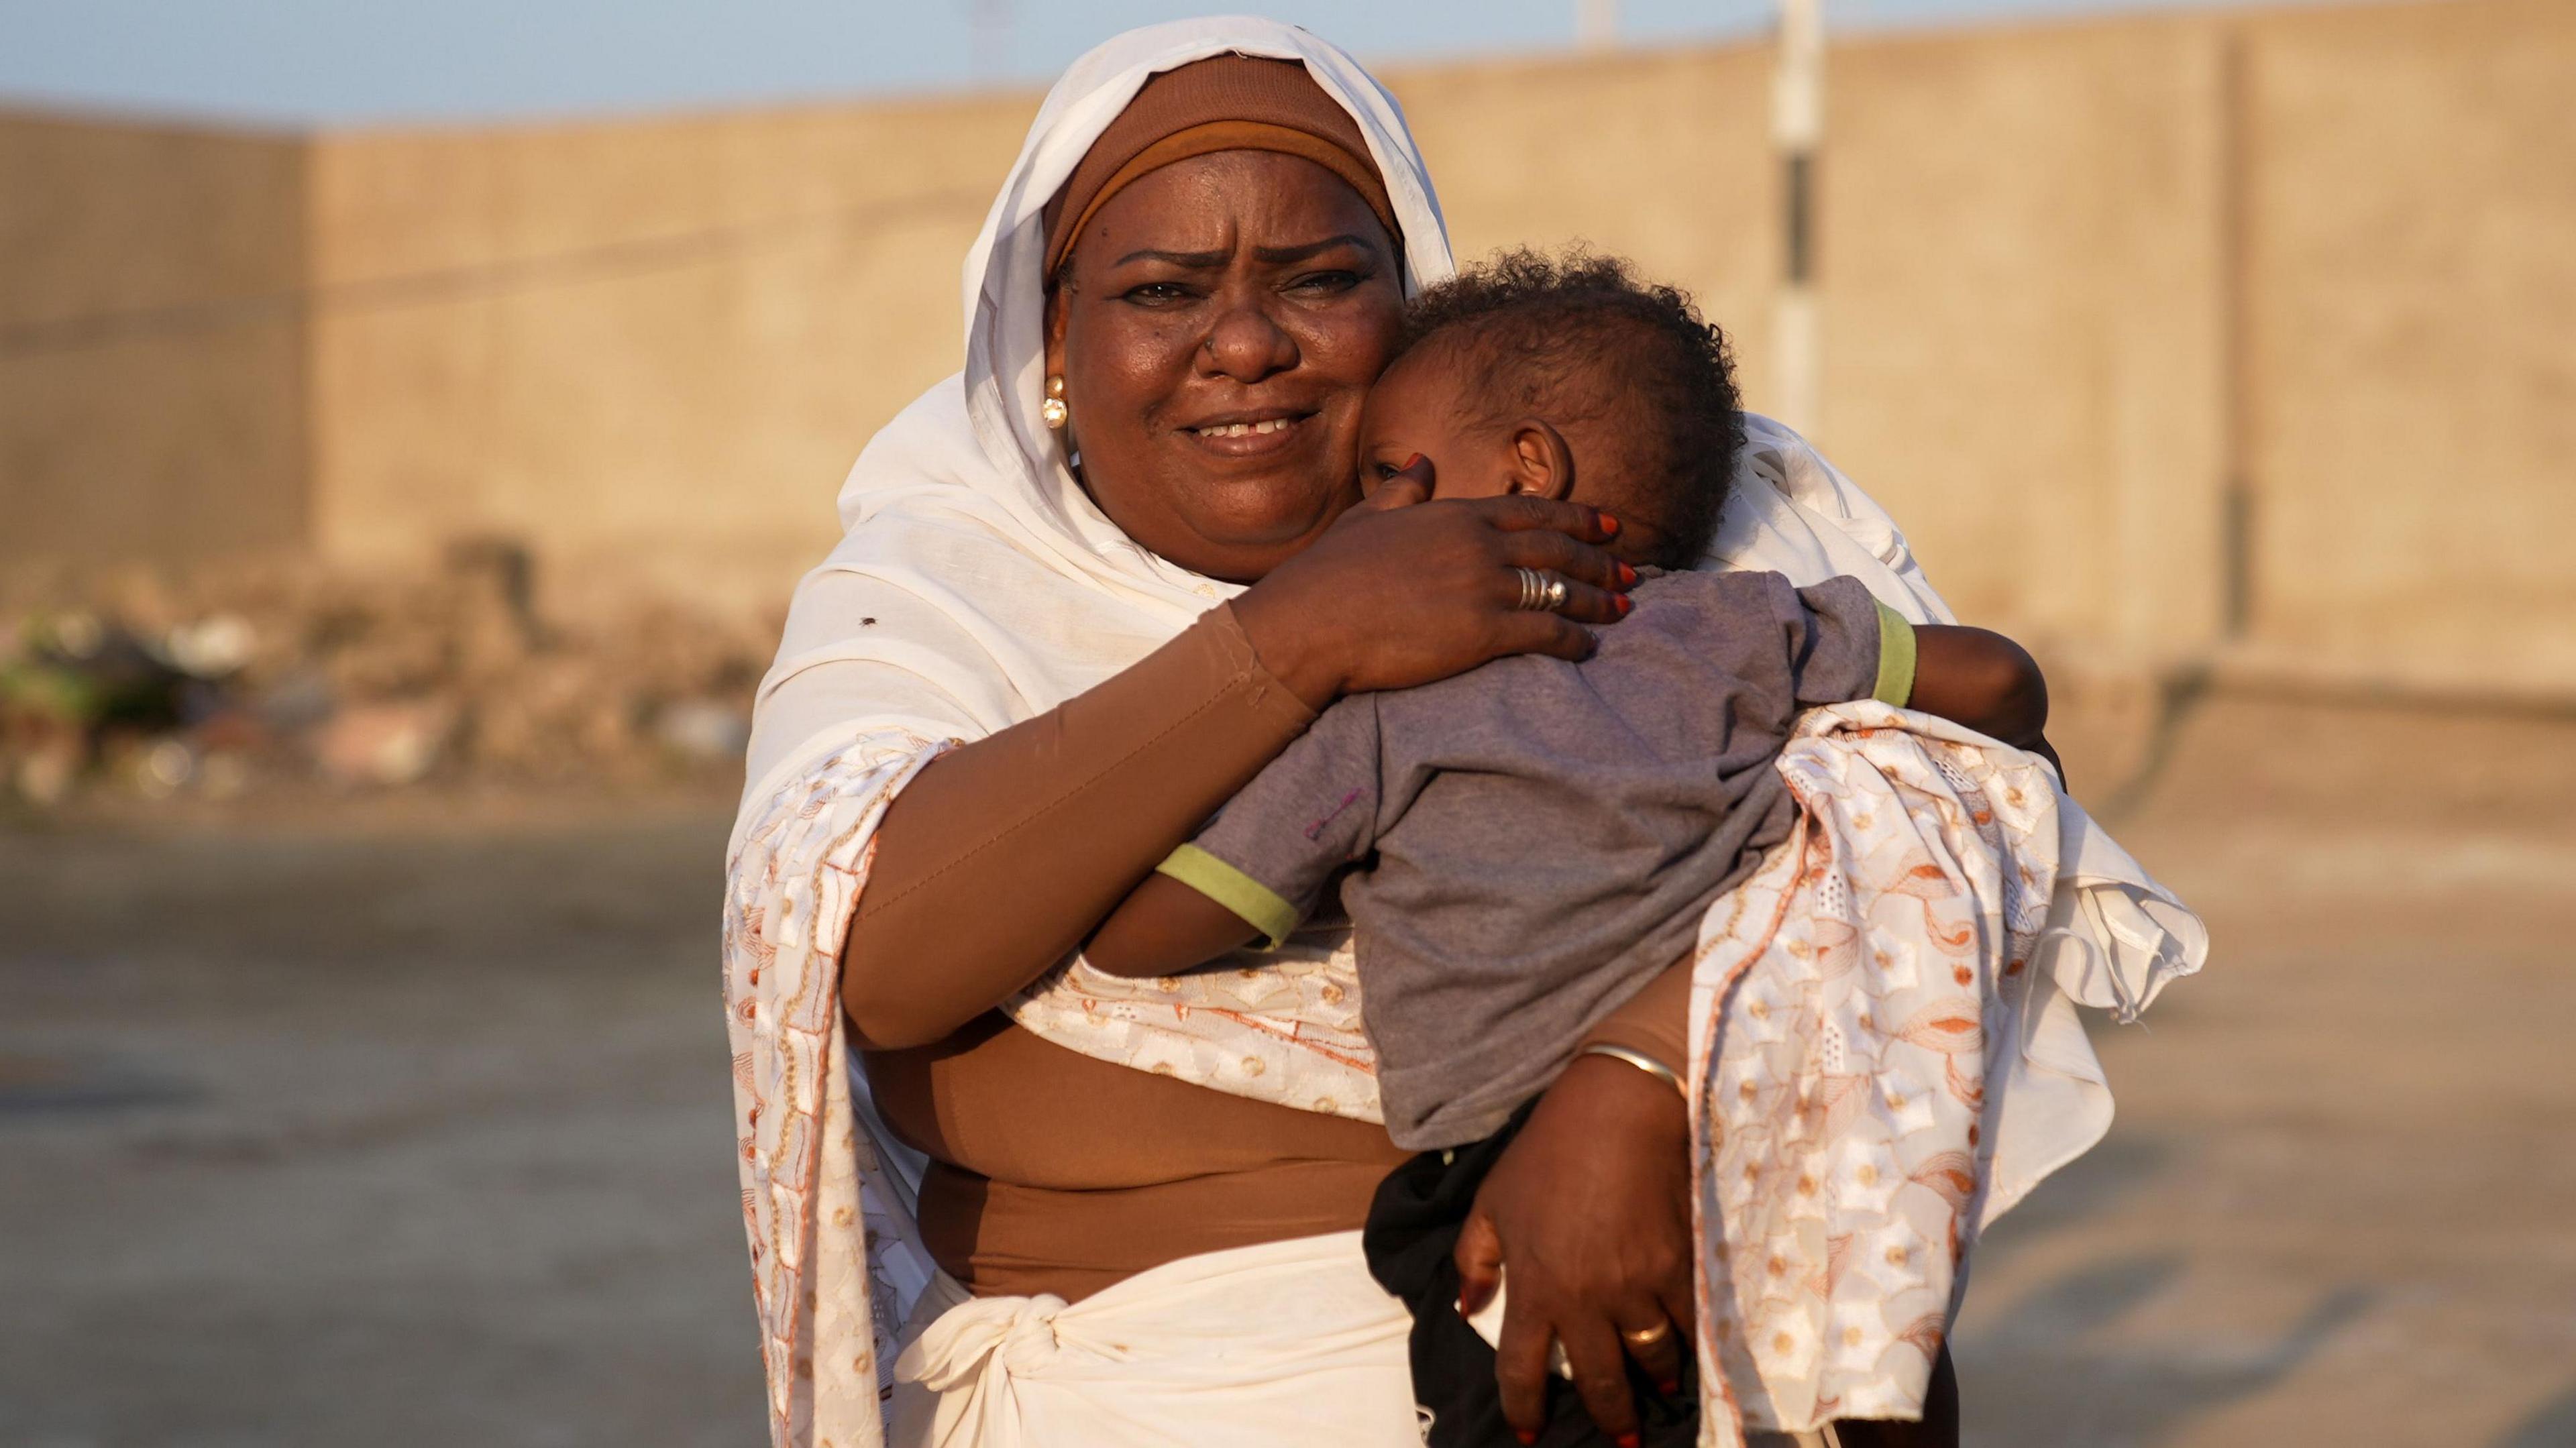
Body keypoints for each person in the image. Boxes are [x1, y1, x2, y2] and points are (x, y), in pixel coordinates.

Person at [724, 20, 1961, 1448]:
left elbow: (1929, 832)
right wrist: (1297, 641)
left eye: (1319, 280)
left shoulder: (1675, 523)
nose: (1244, 344)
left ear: (1411, 304)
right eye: (1162, 290)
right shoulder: (942, 594)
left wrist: (1638, 1076)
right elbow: (870, 958)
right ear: (1057, 342)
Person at [1082, 251, 2045, 1445]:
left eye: (1392, 476)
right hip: (1780, 1129)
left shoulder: (1387, 702)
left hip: (1519, 1194)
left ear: (1530, 468)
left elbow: (1145, 935)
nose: (1371, 516)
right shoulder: (1737, 625)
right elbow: (1998, 677)